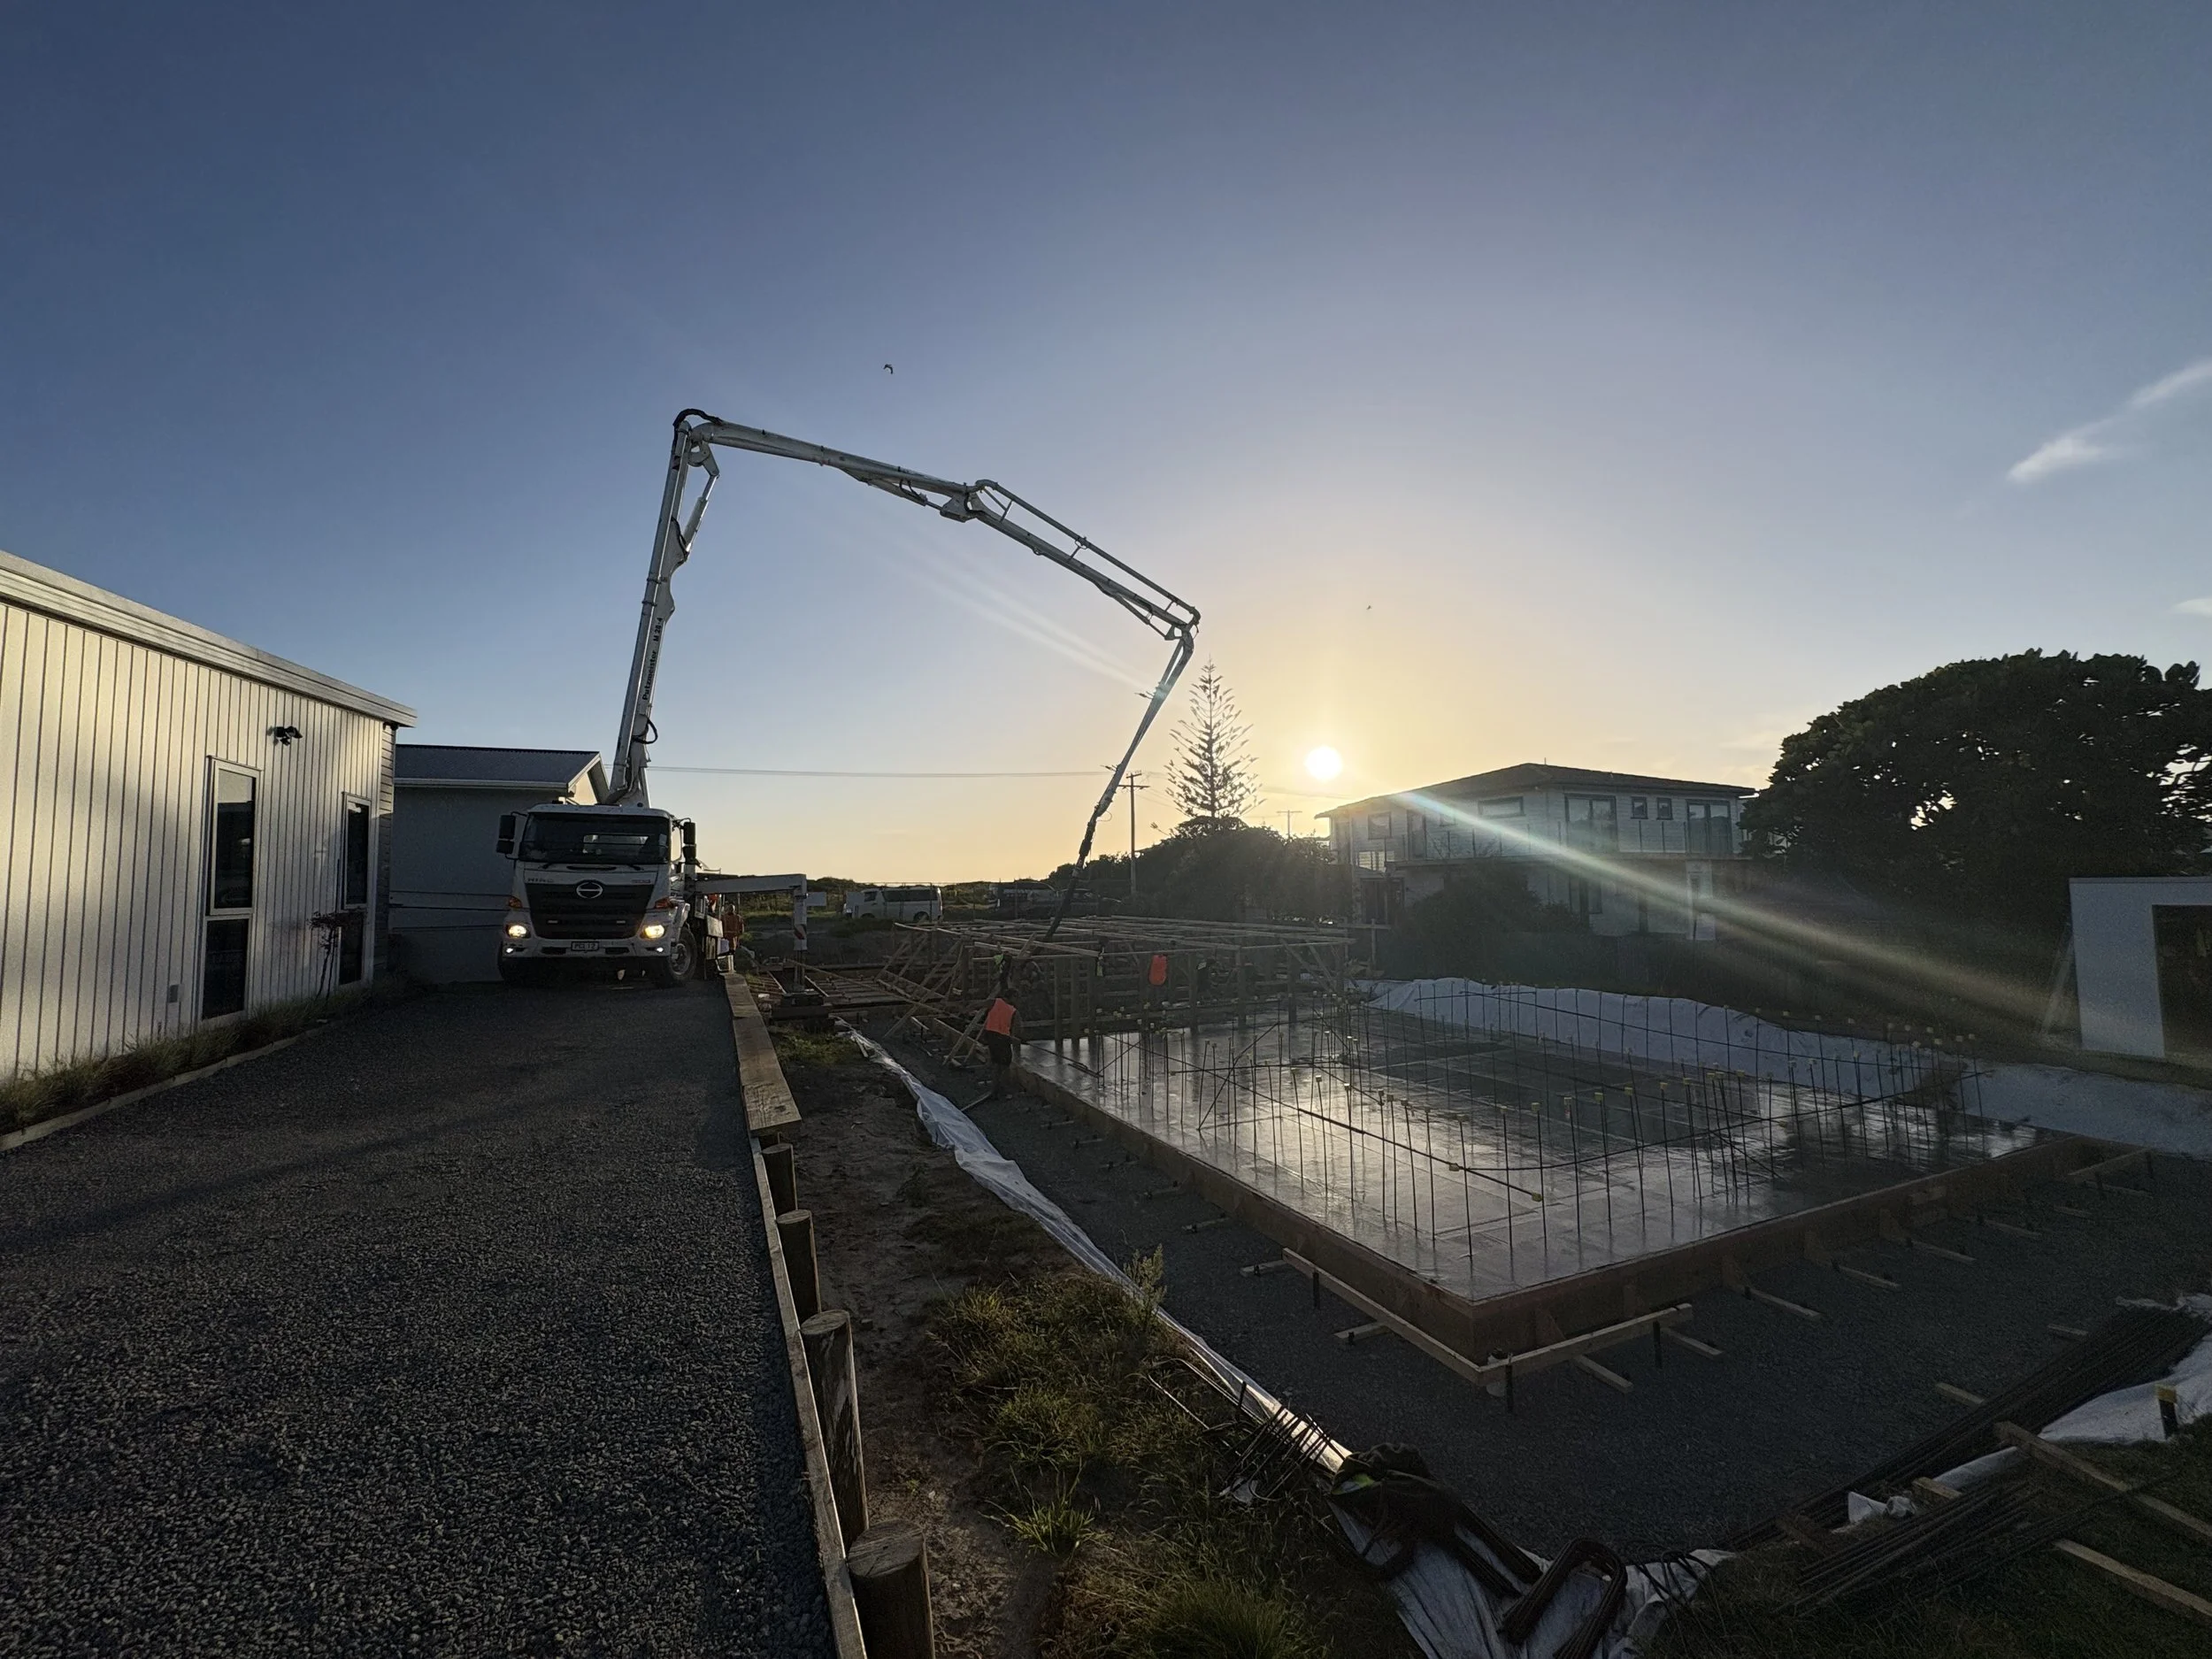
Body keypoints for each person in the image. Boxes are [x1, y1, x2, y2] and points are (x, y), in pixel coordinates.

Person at [976, 988, 1022, 1103]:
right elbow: (1017, 1028)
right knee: (1005, 1065)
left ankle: (994, 1090)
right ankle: (1003, 1090)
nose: (1017, 1000)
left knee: (997, 1064)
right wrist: (1015, 1039)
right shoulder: (1013, 1011)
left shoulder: (995, 1002)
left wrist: (965, 1009)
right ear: (1012, 997)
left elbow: (978, 1004)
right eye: (1016, 997)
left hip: (991, 1036)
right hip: (1002, 1038)